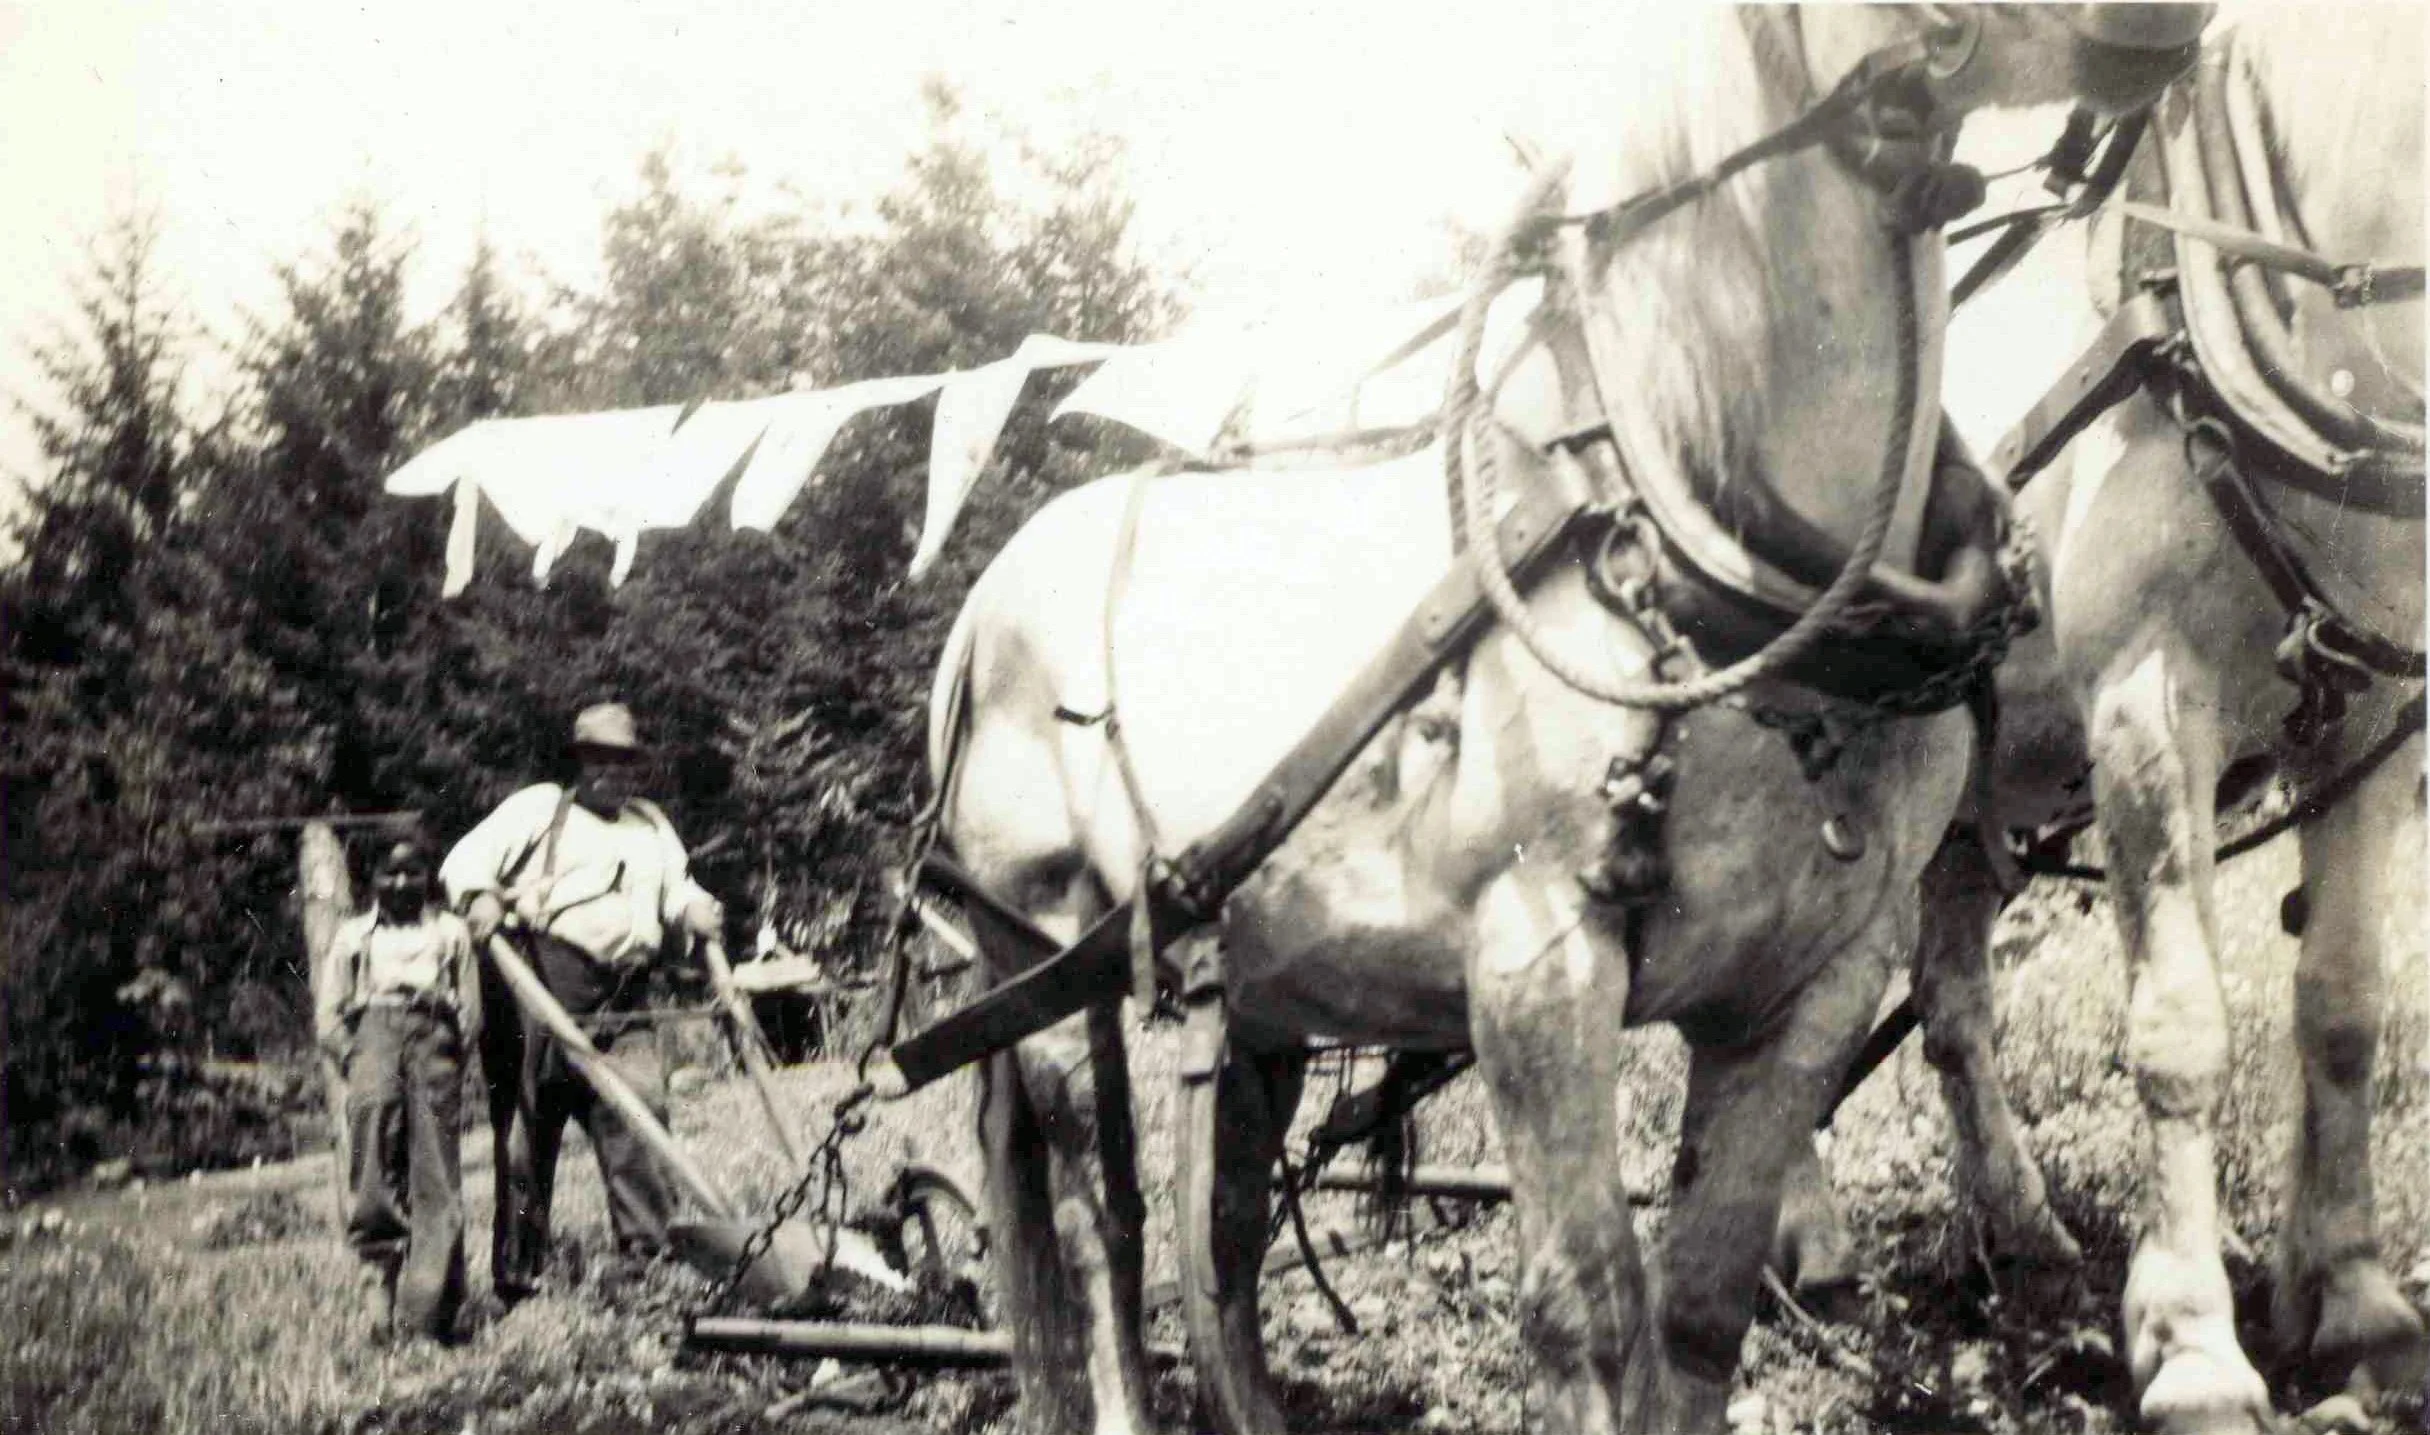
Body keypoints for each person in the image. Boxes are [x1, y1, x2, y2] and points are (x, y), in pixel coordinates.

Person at [441, 701, 733, 1303]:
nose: (615, 773)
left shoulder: (649, 823)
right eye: (602, 760)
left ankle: (647, 1267)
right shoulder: (541, 809)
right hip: (540, 988)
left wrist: (695, 908)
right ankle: (520, 1279)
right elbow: (464, 861)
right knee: (529, 1133)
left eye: (626, 761)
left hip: (625, 995)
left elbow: (679, 889)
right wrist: (479, 898)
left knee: (641, 1116)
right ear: (581, 760)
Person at [318, 834, 482, 1342]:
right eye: (390, 872)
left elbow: (471, 1009)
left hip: (434, 1043)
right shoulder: (353, 938)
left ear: (428, 876)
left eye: (413, 871)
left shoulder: (450, 932)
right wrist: (358, 1058)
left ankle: (429, 1317)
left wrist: (451, 1056)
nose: (402, 882)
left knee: (436, 1174)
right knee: (372, 1171)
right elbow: (329, 1015)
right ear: (373, 880)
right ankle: (379, 1306)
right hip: (374, 1041)